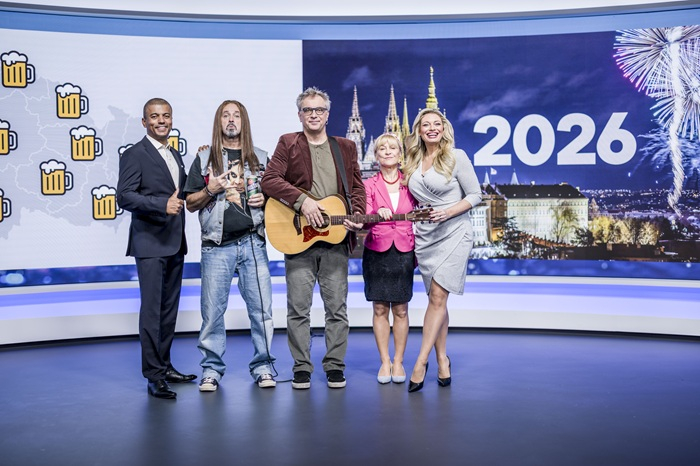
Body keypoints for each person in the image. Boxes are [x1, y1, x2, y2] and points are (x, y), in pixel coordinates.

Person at [261, 87, 365, 390]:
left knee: (337, 309)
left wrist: (358, 214)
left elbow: (357, 187)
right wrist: (302, 202)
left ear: (327, 114)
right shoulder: (288, 142)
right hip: (298, 237)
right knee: (298, 309)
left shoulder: (346, 147)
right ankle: (301, 367)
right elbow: (269, 180)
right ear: (300, 115)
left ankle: (334, 366)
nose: (314, 114)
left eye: (319, 109)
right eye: (308, 110)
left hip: (335, 239)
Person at [184, 100, 276, 392]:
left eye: (237, 115)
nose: (231, 120)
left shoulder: (262, 158)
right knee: (212, 314)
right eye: (226, 115)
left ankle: (263, 367)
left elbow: (280, 199)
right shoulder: (204, 158)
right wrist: (210, 189)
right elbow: (190, 203)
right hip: (216, 246)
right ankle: (211, 370)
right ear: (219, 121)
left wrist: (267, 200)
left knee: (262, 311)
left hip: (253, 243)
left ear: (244, 121)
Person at [117, 98, 196, 399]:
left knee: (168, 311)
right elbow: (124, 196)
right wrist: (161, 205)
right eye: (154, 116)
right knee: (152, 312)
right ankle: (153, 376)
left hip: (175, 243)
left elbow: (184, 191)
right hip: (150, 244)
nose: (161, 121)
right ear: (144, 122)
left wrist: (204, 169)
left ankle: (164, 367)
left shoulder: (174, 153)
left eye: (166, 116)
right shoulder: (134, 154)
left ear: (171, 119)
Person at [402, 108, 482, 393]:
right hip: (426, 237)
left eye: (437, 123)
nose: (432, 128)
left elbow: (476, 195)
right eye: (426, 124)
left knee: (437, 297)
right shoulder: (411, 160)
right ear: (419, 130)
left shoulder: (456, 156)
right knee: (438, 301)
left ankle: (420, 362)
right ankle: (442, 359)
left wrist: (447, 212)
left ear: (444, 128)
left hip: (454, 233)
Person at [361, 133, 417, 384]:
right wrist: (376, 211)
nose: (387, 151)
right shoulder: (369, 185)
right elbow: (363, 216)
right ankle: (385, 362)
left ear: (399, 153)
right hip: (377, 251)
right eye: (382, 148)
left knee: (401, 309)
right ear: (376, 155)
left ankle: (399, 361)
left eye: (392, 147)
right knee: (380, 308)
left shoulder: (411, 183)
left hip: (404, 250)